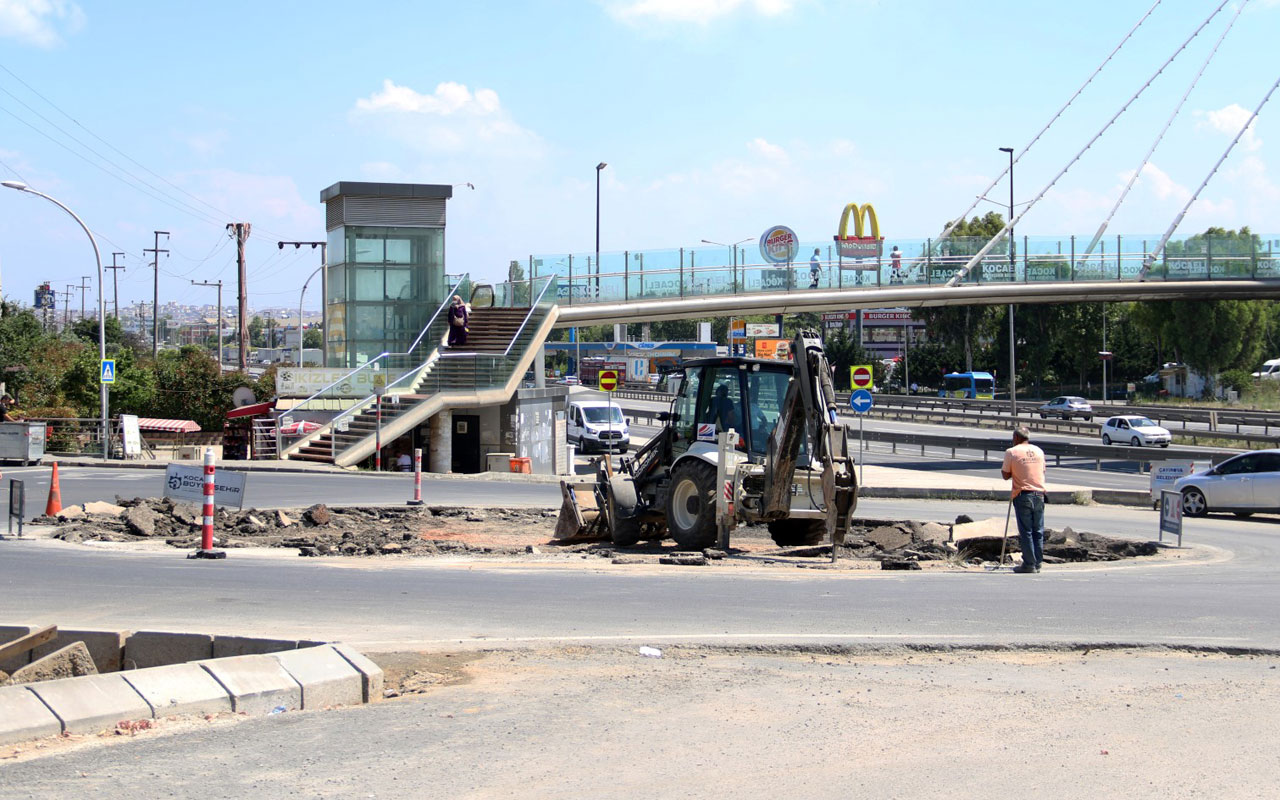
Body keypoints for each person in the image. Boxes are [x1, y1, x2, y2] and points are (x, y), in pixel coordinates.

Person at [1001, 425, 1047, 573]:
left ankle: (1029, 564)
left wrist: (1017, 470)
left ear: (1015, 438)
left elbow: (1005, 474)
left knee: (1026, 531)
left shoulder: (1012, 452)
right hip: (1039, 494)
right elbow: (1042, 470)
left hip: (1023, 494)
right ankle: (1038, 563)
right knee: (1038, 531)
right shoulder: (1039, 451)